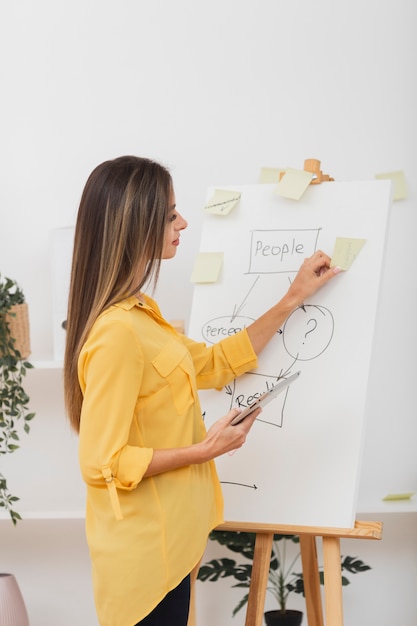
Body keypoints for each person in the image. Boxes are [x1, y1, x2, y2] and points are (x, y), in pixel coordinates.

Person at [63, 155, 340, 626]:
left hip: (174, 545)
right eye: (171, 214)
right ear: (136, 223)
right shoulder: (117, 334)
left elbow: (214, 364)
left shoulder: (142, 313)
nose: (183, 223)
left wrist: (292, 298)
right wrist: (205, 449)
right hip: (145, 560)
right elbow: (101, 463)